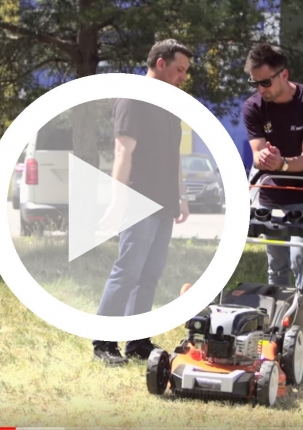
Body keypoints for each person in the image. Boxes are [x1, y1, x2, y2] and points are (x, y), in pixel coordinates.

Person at [92, 39, 194, 366]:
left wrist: (181, 196)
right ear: (161, 63)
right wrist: (116, 202)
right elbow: (122, 152)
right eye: (179, 70)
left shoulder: (170, 103)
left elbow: (174, 155)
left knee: (150, 274)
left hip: (165, 203)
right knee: (128, 272)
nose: (183, 77)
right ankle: (104, 343)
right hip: (137, 201)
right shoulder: (133, 99)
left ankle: (137, 342)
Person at [241, 43, 303, 357]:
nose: (260, 89)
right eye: (255, 83)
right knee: (275, 266)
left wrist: (282, 164)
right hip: (270, 193)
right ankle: (275, 331)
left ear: (284, 74)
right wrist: (265, 158)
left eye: (266, 82)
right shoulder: (253, 107)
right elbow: (257, 155)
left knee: (300, 261)